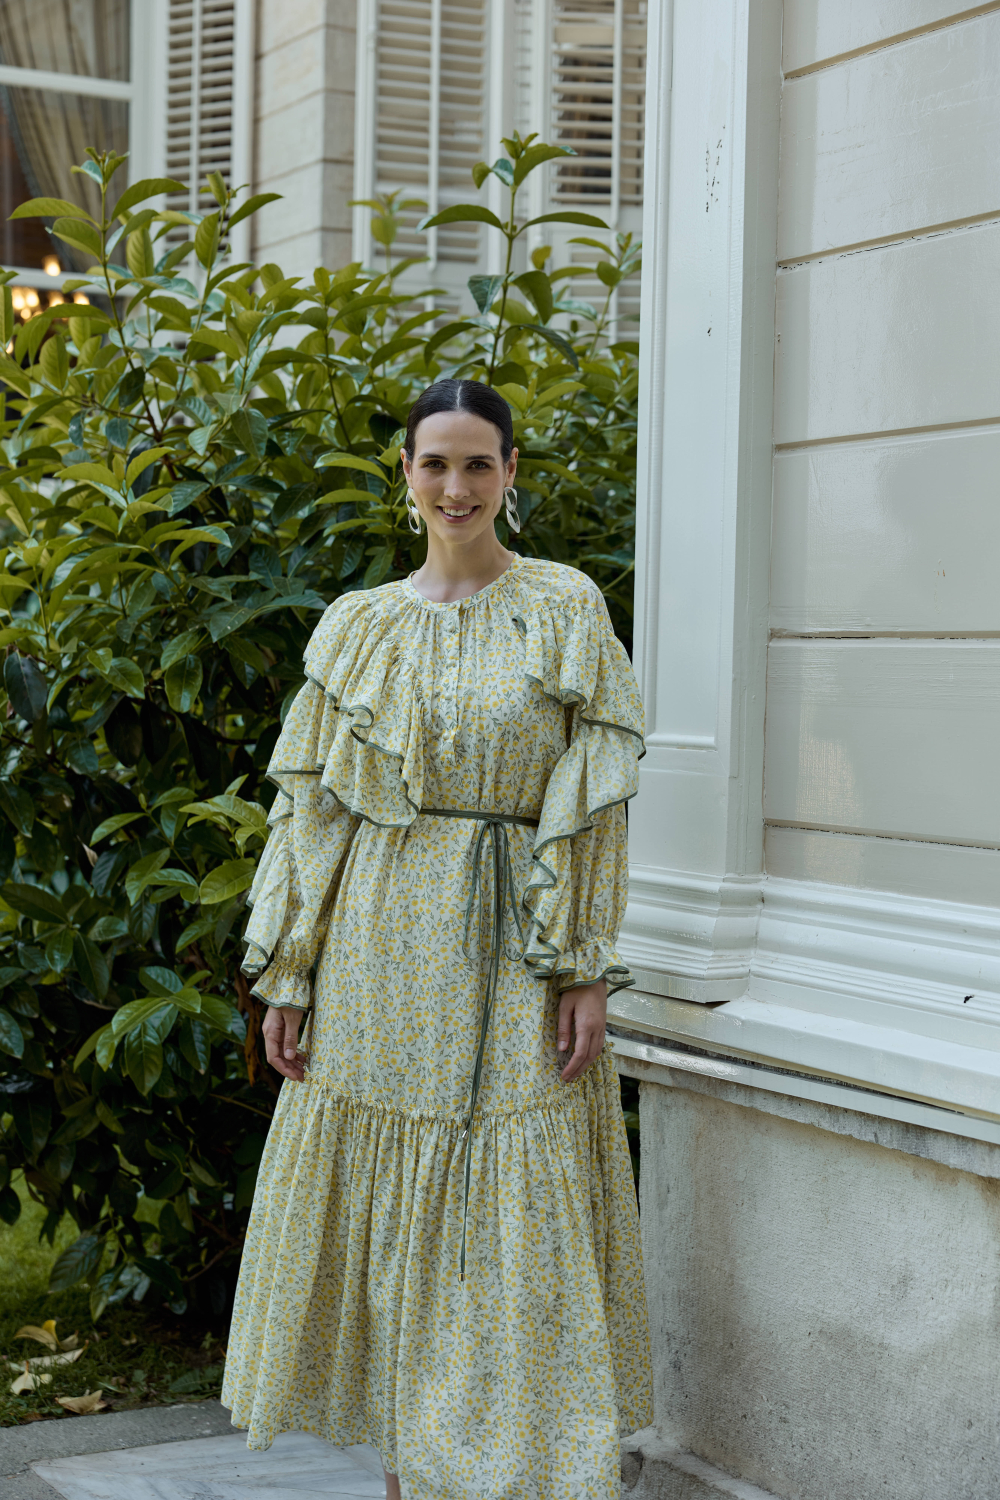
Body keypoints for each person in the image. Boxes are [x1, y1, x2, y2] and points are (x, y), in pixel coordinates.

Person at [221, 378, 653, 1499]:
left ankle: (515, 1468)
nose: (455, 487)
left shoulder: (564, 606)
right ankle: (408, 1477)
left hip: (517, 944)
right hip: (378, 948)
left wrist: (584, 965)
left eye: (477, 463)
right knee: (389, 1217)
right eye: (434, 463)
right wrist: (290, 973)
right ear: (405, 475)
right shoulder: (356, 625)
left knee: (512, 1208)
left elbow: (596, 802)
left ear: (511, 474)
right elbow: (315, 815)